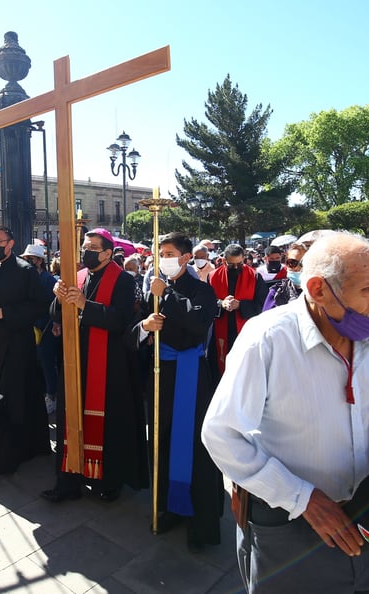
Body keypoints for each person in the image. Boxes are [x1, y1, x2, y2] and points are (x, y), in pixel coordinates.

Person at [201, 232, 369, 593]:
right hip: (292, 536)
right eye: (368, 289)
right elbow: (222, 434)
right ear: (318, 289)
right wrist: (302, 498)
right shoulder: (267, 339)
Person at [44, 227, 149, 503]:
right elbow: (56, 315)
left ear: (107, 253)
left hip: (110, 364)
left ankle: (108, 480)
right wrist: (58, 297)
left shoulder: (123, 280)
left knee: (108, 424)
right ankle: (68, 481)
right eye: (84, 247)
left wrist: (84, 304)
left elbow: (122, 321)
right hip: (76, 360)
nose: (85, 252)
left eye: (92, 249)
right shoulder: (78, 276)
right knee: (71, 418)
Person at [138, 232, 222, 552]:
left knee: (194, 444)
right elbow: (140, 326)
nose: (164, 259)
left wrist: (167, 296)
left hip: (191, 375)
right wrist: (146, 326)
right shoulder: (156, 289)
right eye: (161, 254)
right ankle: (170, 507)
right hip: (161, 373)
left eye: (170, 253)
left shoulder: (202, 290)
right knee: (163, 439)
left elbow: (197, 325)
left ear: (186, 258)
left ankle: (201, 520)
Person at [0, 226, 53, 485]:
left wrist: (6, 313)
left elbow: (40, 305)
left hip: (20, 345)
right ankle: (34, 446)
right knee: (23, 395)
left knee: (5, 400)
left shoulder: (26, 271)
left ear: (10, 243)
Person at [208, 243, 269, 378]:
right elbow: (207, 302)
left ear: (243, 259)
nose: (236, 268)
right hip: (221, 330)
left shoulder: (254, 276)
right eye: (231, 264)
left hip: (245, 330)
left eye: (239, 264)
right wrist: (221, 303)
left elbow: (263, 304)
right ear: (224, 261)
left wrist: (240, 305)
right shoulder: (212, 276)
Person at [21, 243, 60, 415]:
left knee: (47, 363)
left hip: (45, 328)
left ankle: (52, 396)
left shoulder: (49, 280)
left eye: (30, 258)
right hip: (30, 326)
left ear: (39, 261)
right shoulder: (26, 278)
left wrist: (55, 323)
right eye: (25, 258)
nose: (27, 261)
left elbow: (55, 306)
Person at [262, 243, 308, 311]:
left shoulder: (320, 291)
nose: (297, 268)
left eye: (302, 263)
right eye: (292, 262)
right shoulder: (276, 293)